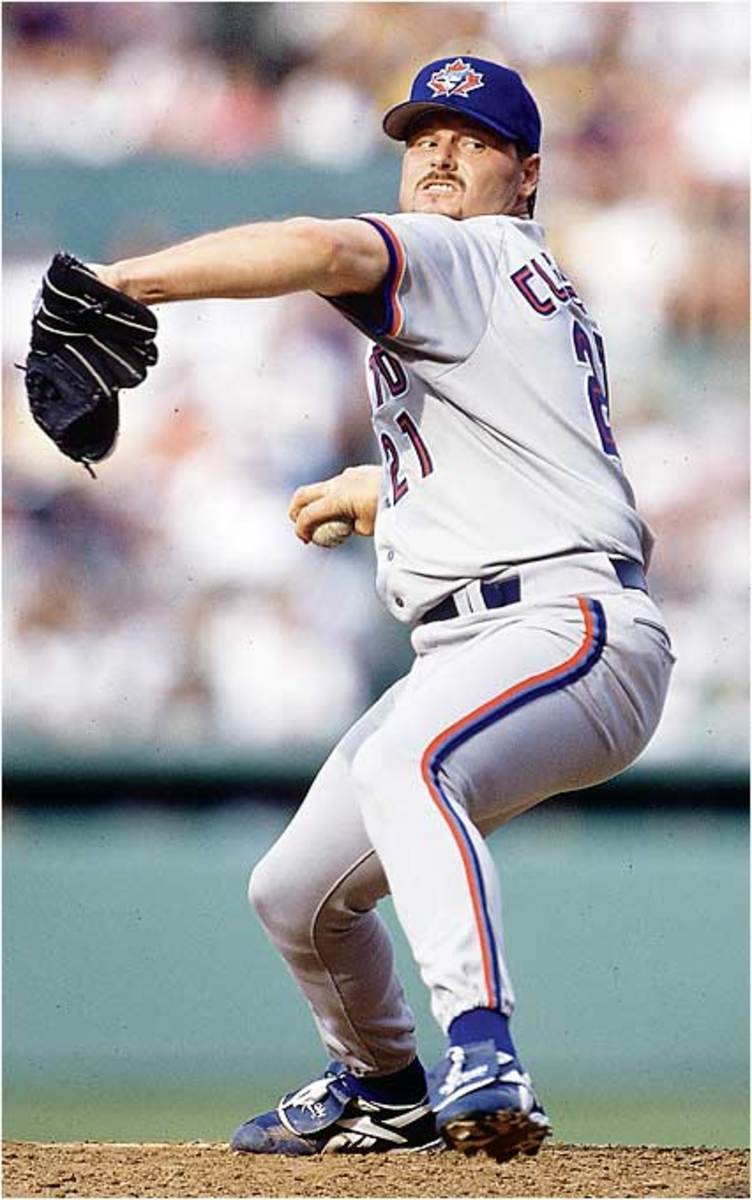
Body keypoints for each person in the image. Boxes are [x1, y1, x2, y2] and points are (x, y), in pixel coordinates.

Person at [94, 57, 674, 1162]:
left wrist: (127, 282)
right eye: (422, 139)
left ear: (526, 175)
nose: (440, 156)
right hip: (495, 631)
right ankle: (383, 1086)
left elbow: (320, 249)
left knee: (407, 764)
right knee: (295, 894)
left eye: (472, 139)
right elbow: (529, 456)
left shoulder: (474, 250)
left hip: (563, 628)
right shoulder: (506, 287)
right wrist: (389, 492)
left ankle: (482, 1046)